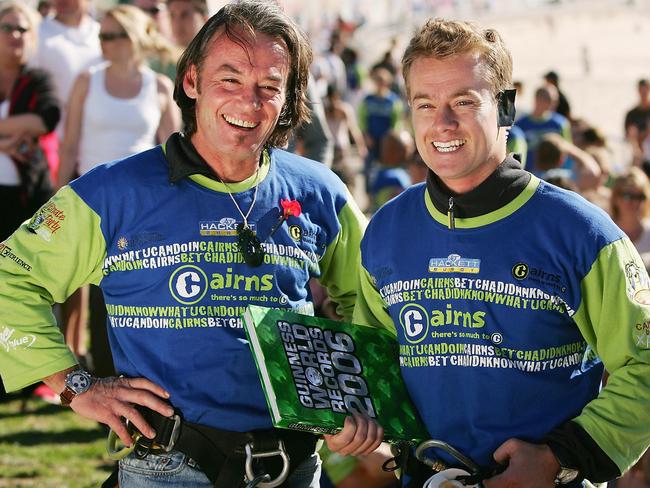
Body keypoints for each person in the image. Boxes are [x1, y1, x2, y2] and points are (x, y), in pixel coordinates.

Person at [0, 2, 372, 487]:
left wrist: (360, 399)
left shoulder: (321, 192)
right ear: (192, 81)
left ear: (289, 98)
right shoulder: (111, 193)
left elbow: (376, 299)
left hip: (297, 468)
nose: (249, 103)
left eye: (269, 87)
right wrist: (75, 386)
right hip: (168, 468)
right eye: (230, 79)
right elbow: (10, 279)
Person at [338, 17, 650, 488]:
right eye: (426, 104)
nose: (442, 123)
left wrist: (559, 457)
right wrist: (355, 420)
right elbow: (374, 360)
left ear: (504, 108)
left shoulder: (581, 233)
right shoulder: (385, 230)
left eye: (464, 101)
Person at [514, 85, 571, 172]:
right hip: (528, 174)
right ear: (537, 99)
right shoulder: (520, 125)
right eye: (549, 99)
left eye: (555, 100)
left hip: (554, 174)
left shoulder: (560, 123)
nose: (554, 103)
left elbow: (568, 148)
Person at [611, 168, 650, 271]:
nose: (635, 202)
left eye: (640, 196)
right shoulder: (605, 231)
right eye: (628, 196)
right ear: (615, 198)